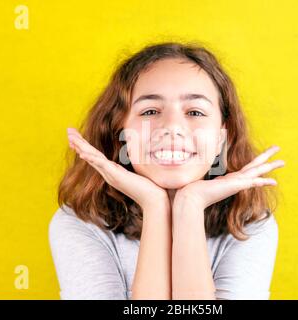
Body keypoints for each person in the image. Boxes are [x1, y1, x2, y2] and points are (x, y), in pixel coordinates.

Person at [49, 41, 286, 300]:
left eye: (195, 112)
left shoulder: (249, 224)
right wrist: (155, 206)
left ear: (221, 136)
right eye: (150, 111)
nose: (172, 126)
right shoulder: (80, 223)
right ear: (121, 132)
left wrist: (190, 204)